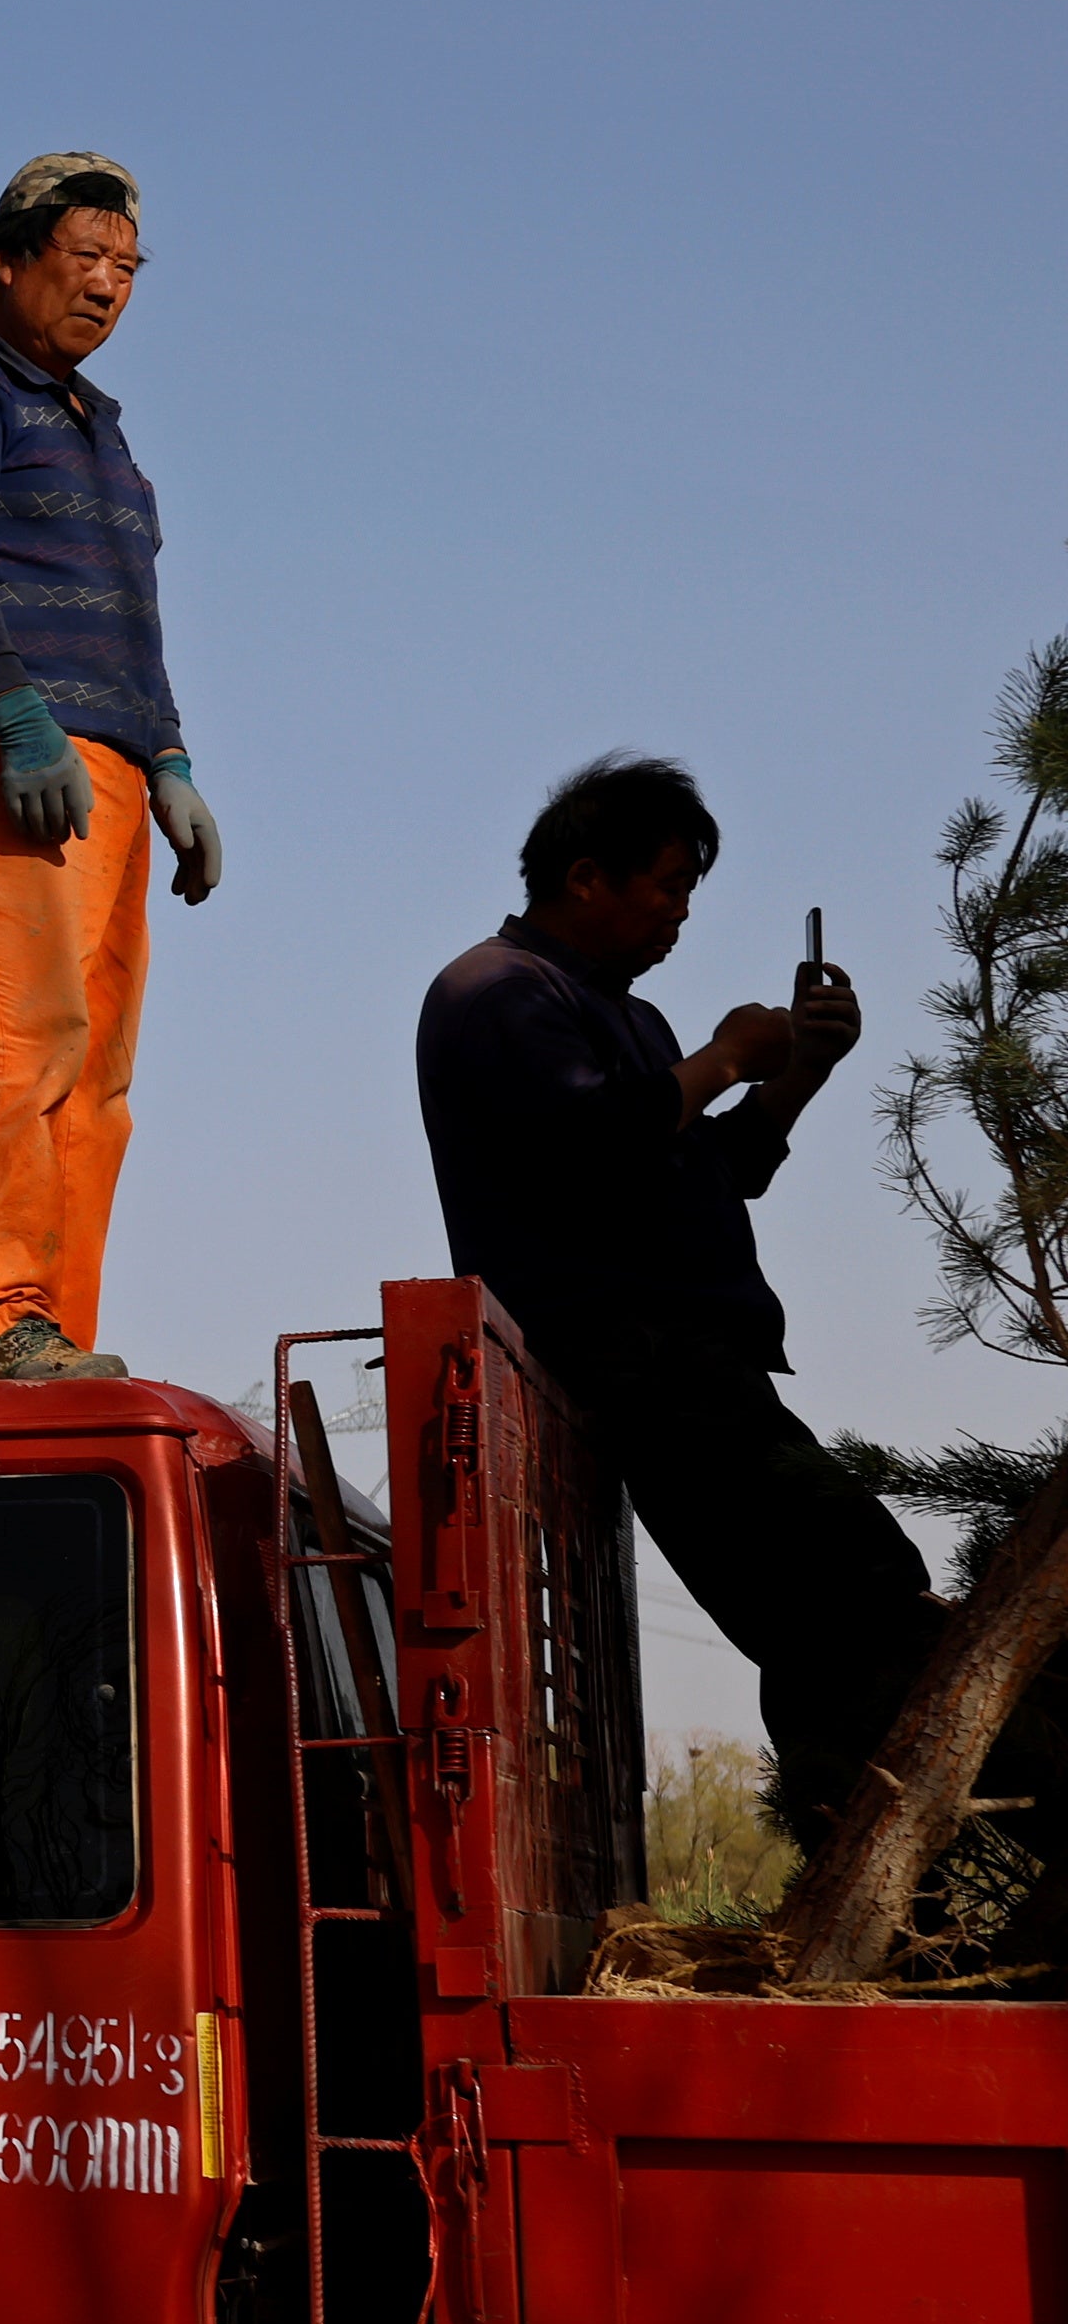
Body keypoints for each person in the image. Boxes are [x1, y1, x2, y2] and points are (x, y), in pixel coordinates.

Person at [415, 755, 916, 1837]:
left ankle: (859, 1849)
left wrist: (803, 1069)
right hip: (638, 1358)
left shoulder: (623, 1021)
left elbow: (706, 1167)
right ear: (586, 876)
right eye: (670, 884)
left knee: (830, 1605)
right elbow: (600, 1142)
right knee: (857, 1582)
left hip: (691, 1357)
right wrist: (727, 1056)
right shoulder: (497, 990)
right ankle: (864, 1852)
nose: (682, 913)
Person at [0, 152, 229, 1384]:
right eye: (84, 259)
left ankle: (57, 1333)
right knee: (12, 1045)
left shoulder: (104, 433)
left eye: (127, 269)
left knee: (93, 1081)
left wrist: (172, 755)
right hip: (6, 758)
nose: (107, 287)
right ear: (6, 258)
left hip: (113, 778)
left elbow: (132, 609)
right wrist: (16, 713)